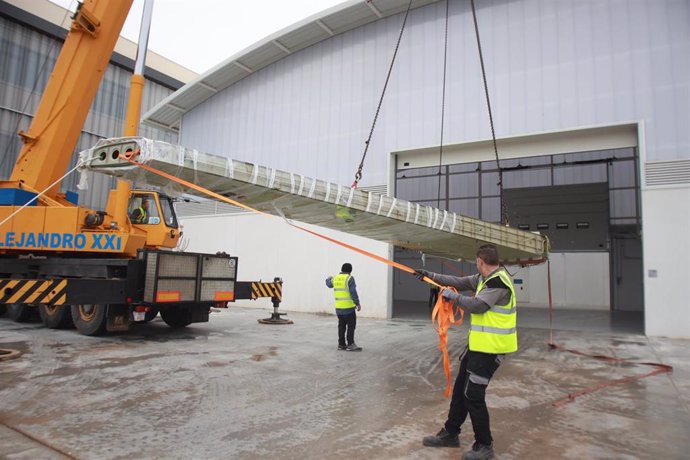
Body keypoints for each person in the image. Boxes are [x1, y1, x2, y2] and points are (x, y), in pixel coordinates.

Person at [415, 244, 516, 460]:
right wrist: (428, 275)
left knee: (473, 395)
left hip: (492, 349)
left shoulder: (498, 283)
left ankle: (485, 445)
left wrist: (453, 297)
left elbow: (478, 305)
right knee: (461, 388)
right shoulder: (483, 279)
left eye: (476, 262)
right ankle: (451, 433)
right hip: (478, 346)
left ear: (480, 261)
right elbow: (458, 282)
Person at [325, 263, 362, 351]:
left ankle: (341, 344)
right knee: (351, 326)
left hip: (339, 309)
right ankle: (350, 344)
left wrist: (328, 279)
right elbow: (353, 292)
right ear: (350, 271)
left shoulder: (336, 278)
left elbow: (329, 284)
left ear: (341, 269)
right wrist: (357, 303)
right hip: (348, 308)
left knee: (341, 326)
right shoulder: (349, 278)